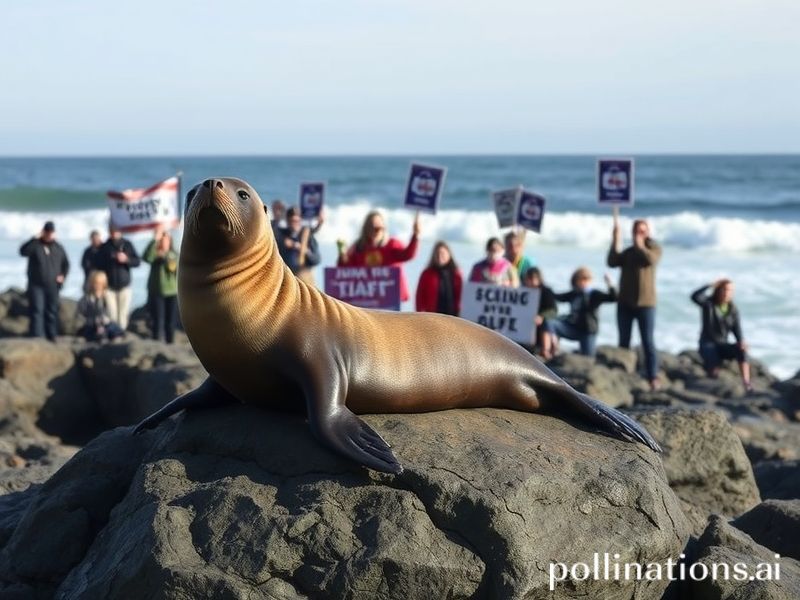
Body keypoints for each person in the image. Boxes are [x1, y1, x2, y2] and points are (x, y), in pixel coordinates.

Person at [607, 214, 662, 390]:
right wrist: (615, 240)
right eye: (636, 231)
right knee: (624, 341)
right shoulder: (629, 252)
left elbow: (650, 260)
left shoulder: (654, 249)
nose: (638, 234)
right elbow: (612, 261)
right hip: (625, 303)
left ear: (648, 233)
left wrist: (640, 243)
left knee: (648, 342)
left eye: (642, 231)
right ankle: (624, 374)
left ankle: (652, 375)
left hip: (646, 304)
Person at [337, 210, 420, 303]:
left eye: (378, 228)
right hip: (367, 300)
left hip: (391, 299)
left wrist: (415, 236)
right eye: (371, 227)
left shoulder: (391, 245)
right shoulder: (358, 247)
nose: (375, 231)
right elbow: (345, 273)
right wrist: (342, 257)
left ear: (384, 229)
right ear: (365, 229)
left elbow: (408, 255)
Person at [691, 279, 752, 392]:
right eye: (724, 289)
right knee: (712, 357)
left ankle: (746, 382)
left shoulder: (733, 309)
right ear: (718, 290)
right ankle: (712, 380)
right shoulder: (708, 303)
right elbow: (694, 296)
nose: (727, 292)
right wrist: (709, 284)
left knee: (742, 349)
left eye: (730, 290)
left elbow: (737, 330)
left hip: (722, 344)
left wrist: (741, 342)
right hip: (707, 343)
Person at [19, 221, 69, 341]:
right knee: (37, 309)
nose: (49, 234)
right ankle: (37, 335)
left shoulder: (58, 247)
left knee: (52, 310)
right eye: (47, 232)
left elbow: (66, 264)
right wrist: (34, 238)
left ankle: (51, 334)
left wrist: (63, 276)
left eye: (51, 232)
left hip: (53, 285)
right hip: (36, 285)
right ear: (43, 232)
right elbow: (22, 252)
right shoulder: (35, 245)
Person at [549, 267, 617, 357]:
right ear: (575, 282)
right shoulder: (574, 293)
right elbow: (557, 297)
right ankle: (552, 349)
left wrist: (610, 284)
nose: (583, 283)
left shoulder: (594, 294)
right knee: (552, 323)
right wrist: (544, 289)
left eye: (586, 280)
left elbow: (613, 298)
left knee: (588, 357)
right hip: (573, 328)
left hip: (588, 331)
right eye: (580, 280)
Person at [98, 223, 141, 331]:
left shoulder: (127, 244)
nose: (114, 232)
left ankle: (121, 336)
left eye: (116, 230)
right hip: (109, 288)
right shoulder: (105, 247)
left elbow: (137, 262)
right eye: (112, 230)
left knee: (123, 316)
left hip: (125, 287)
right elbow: (98, 265)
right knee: (112, 315)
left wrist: (126, 259)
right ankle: (114, 336)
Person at [143, 228, 179, 344]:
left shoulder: (174, 255)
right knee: (157, 320)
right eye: (161, 241)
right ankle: (157, 342)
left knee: (171, 321)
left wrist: (165, 257)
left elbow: (175, 269)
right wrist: (154, 240)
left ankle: (170, 342)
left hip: (172, 292)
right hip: (156, 291)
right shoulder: (154, 255)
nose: (163, 243)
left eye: (166, 240)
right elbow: (146, 257)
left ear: (169, 241)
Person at [416, 241, 463, 316]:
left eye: (442, 253)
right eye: (437, 254)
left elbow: (462, 297)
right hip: (432, 316)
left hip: (454, 317)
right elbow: (419, 297)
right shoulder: (427, 274)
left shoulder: (457, 274)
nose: (439, 256)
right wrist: (420, 315)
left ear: (449, 254)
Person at [277, 206, 321, 285]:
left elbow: (316, 259)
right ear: (287, 221)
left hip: (305, 278)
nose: (294, 224)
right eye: (292, 221)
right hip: (287, 279)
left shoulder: (307, 236)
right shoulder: (282, 235)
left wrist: (301, 248)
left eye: (297, 221)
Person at [522, 267, 558, 359]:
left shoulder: (546, 291)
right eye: (529, 279)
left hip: (541, 325)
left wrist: (542, 316)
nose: (532, 282)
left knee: (547, 323)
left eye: (534, 278)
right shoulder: (521, 291)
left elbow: (553, 311)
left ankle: (546, 350)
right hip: (526, 327)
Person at [77, 270, 124, 342]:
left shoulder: (108, 297)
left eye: (100, 284)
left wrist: (106, 320)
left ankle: (112, 337)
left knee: (113, 328)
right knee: (89, 330)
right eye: (96, 283)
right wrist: (93, 321)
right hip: (91, 325)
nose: (98, 286)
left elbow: (112, 314)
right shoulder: (86, 299)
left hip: (106, 324)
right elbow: (81, 316)